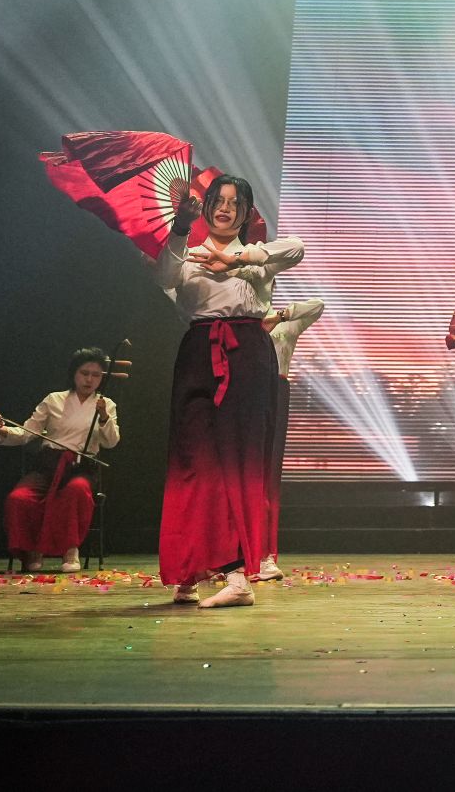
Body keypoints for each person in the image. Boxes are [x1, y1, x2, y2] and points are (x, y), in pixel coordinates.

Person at [155, 176, 304, 609]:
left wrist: (235, 260)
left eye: (235, 203)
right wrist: (180, 228)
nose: (225, 208)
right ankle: (190, 568)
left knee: (235, 462)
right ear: (204, 208)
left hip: (247, 354)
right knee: (193, 461)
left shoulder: (256, 258)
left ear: (246, 212)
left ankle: (238, 577)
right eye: (218, 201)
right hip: (198, 352)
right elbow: (164, 275)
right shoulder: (187, 253)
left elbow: (296, 248)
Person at [0, 347, 119, 572]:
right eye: (84, 373)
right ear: (74, 373)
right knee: (18, 498)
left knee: (76, 491)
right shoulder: (54, 400)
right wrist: (3, 431)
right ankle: (32, 551)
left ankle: (70, 551)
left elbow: (111, 442)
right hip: (49, 465)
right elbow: (28, 431)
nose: (89, 379)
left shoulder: (106, 404)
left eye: (96, 375)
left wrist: (103, 417)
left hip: (81, 467)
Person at [256, 298, 325, 582]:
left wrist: (280, 316)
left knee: (266, 474)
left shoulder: (285, 323)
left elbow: (318, 305)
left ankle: (263, 556)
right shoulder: (236, 321)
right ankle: (226, 556)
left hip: (275, 388)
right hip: (240, 390)